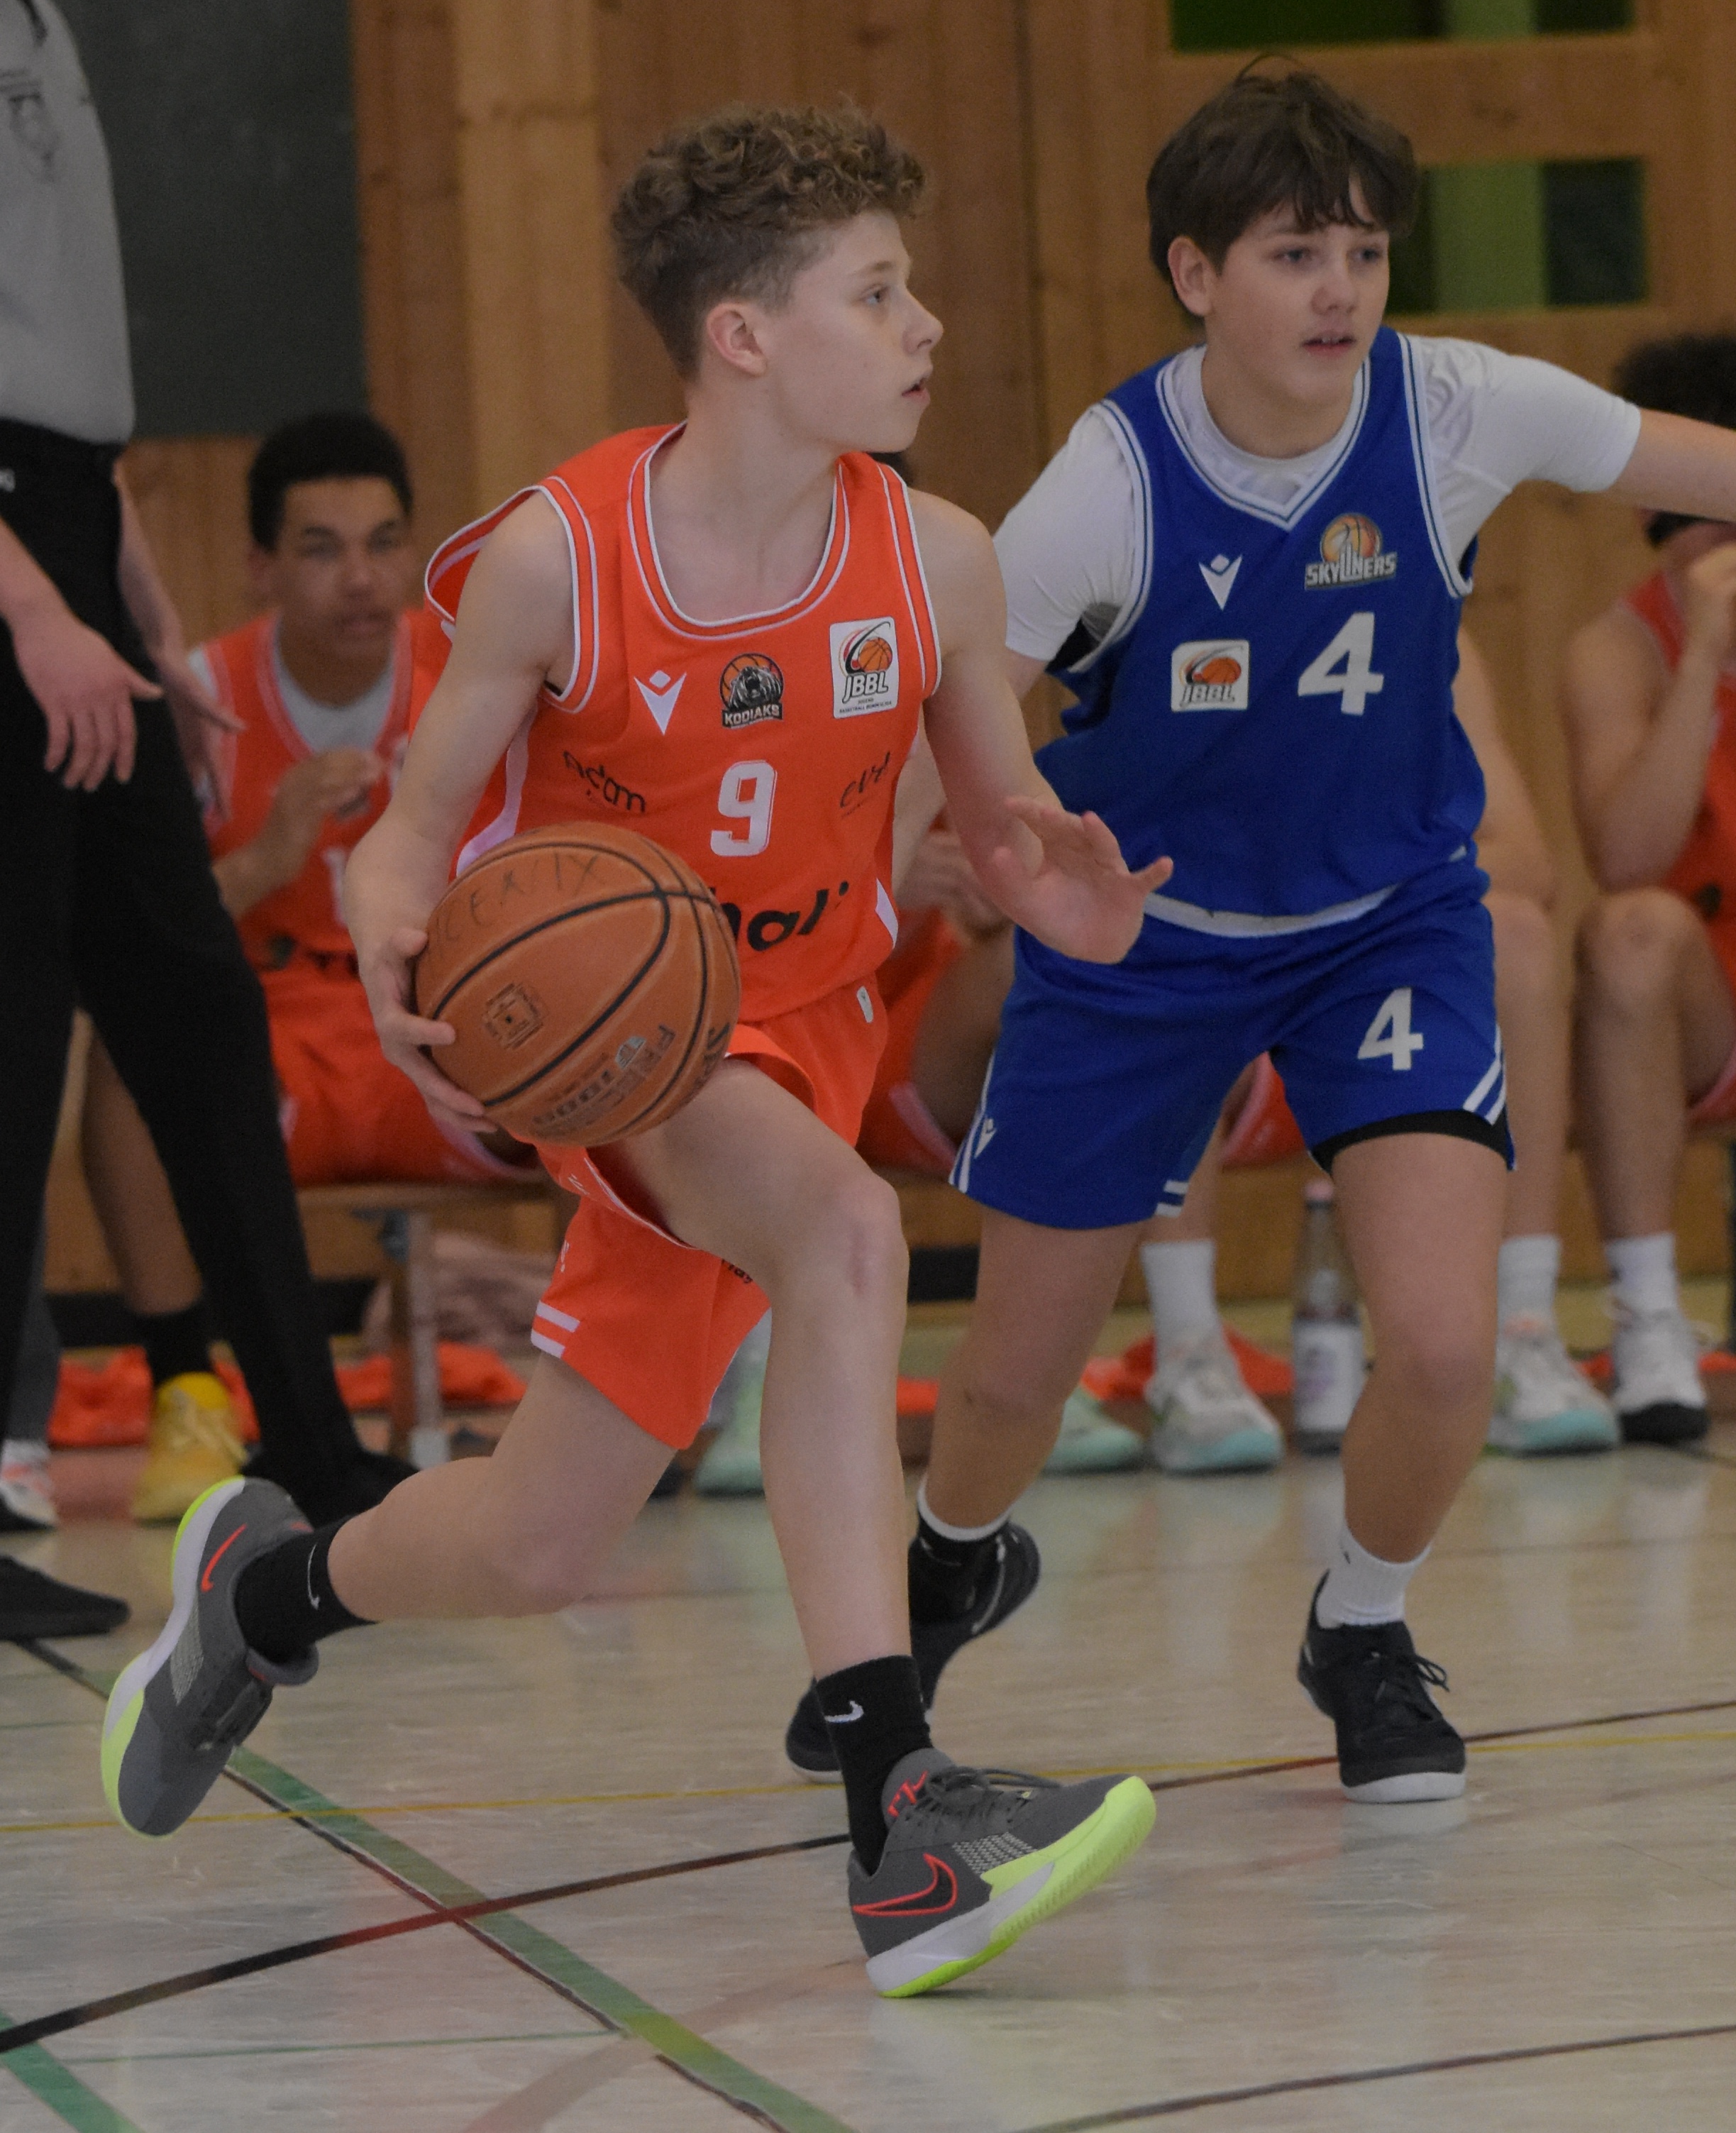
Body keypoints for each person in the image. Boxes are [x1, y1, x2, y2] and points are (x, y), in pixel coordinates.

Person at [101, 104, 1162, 1999]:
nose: (922, 324)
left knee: (536, 1541)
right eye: (875, 291)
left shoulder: (937, 560)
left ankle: (261, 1590)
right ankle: (900, 1813)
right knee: (846, 1233)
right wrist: (390, 937)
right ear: (742, 334)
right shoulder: (557, 560)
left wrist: (1047, 884)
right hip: (637, 1045)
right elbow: (414, 834)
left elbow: (994, 820)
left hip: (815, 1025)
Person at [785, 62, 1736, 1808]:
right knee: (1001, 1386)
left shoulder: (1453, 408)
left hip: (1386, 926)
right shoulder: (1109, 483)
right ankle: (950, 1557)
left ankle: (1359, 1626)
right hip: (1141, 942)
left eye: (1362, 253)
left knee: (1440, 1346)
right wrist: (925, 847)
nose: (1337, 291)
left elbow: (1696, 461)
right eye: (1294, 254)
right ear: (1193, 272)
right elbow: (957, 700)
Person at [0, 1, 410, 1594]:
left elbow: (65, 393)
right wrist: (33, 612)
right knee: (16, 1048)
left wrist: (137, 608)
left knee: (196, 1013)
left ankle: (308, 1444)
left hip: (66, 522)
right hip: (17, 565)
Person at [75, 414, 534, 1522]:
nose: (360, 578)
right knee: (130, 1056)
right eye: (321, 549)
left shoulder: (477, 676)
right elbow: (136, 937)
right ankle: (188, 1390)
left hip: (434, 1036)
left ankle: (639, 1396)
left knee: (617, 1032)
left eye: (382, 542)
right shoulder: (198, 695)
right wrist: (267, 857)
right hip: (276, 1051)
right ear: (261, 566)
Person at [1136, 632, 1612, 1470]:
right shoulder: (1191, 606)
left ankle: (1522, 1329)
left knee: (1520, 936)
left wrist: (1352, 883)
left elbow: (1525, 858)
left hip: (1380, 986)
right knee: (1157, 942)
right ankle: (1187, 1354)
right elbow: (1152, 855)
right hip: (1233, 974)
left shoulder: (1427, 623)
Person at [1565, 333, 1736, 1445]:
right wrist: (1702, 658)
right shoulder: (1616, 648)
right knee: (1626, 930)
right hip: (1703, 1011)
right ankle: (1647, 1318)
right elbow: (1624, 857)